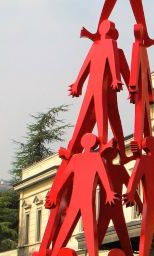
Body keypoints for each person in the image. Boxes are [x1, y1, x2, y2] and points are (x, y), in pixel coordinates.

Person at [41, 133, 117, 256]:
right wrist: (109, 191)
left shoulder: (76, 158)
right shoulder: (95, 158)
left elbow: (64, 179)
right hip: (86, 199)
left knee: (66, 230)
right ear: (94, 143)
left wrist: (54, 195)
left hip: (77, 198)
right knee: (89, 231)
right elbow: (103, 175)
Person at [59, 20, 122, 161]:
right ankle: (94, 144)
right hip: (96, 86)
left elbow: (89, 65)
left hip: (98, 86)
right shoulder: (104, 44)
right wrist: (77, 83)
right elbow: (89, 64)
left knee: (94, 114)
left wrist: (78, 83)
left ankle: (77, 148)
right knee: (92, 115)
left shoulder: (100, 45)